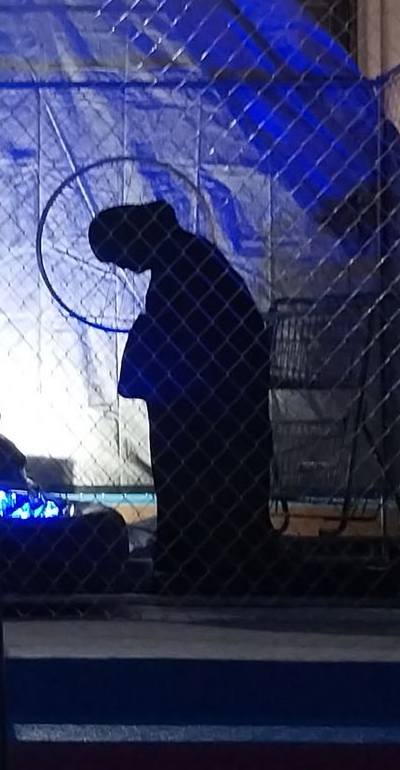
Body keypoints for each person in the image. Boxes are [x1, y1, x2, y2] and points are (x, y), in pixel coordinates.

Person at [88, 200, 274, 593]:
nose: (124, 266)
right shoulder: (187, 257)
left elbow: (182, 342)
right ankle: (194, 556)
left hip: (216, 403)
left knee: (175, 450)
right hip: (227, 396)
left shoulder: (180, 269)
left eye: (119, 257)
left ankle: (187, 557)